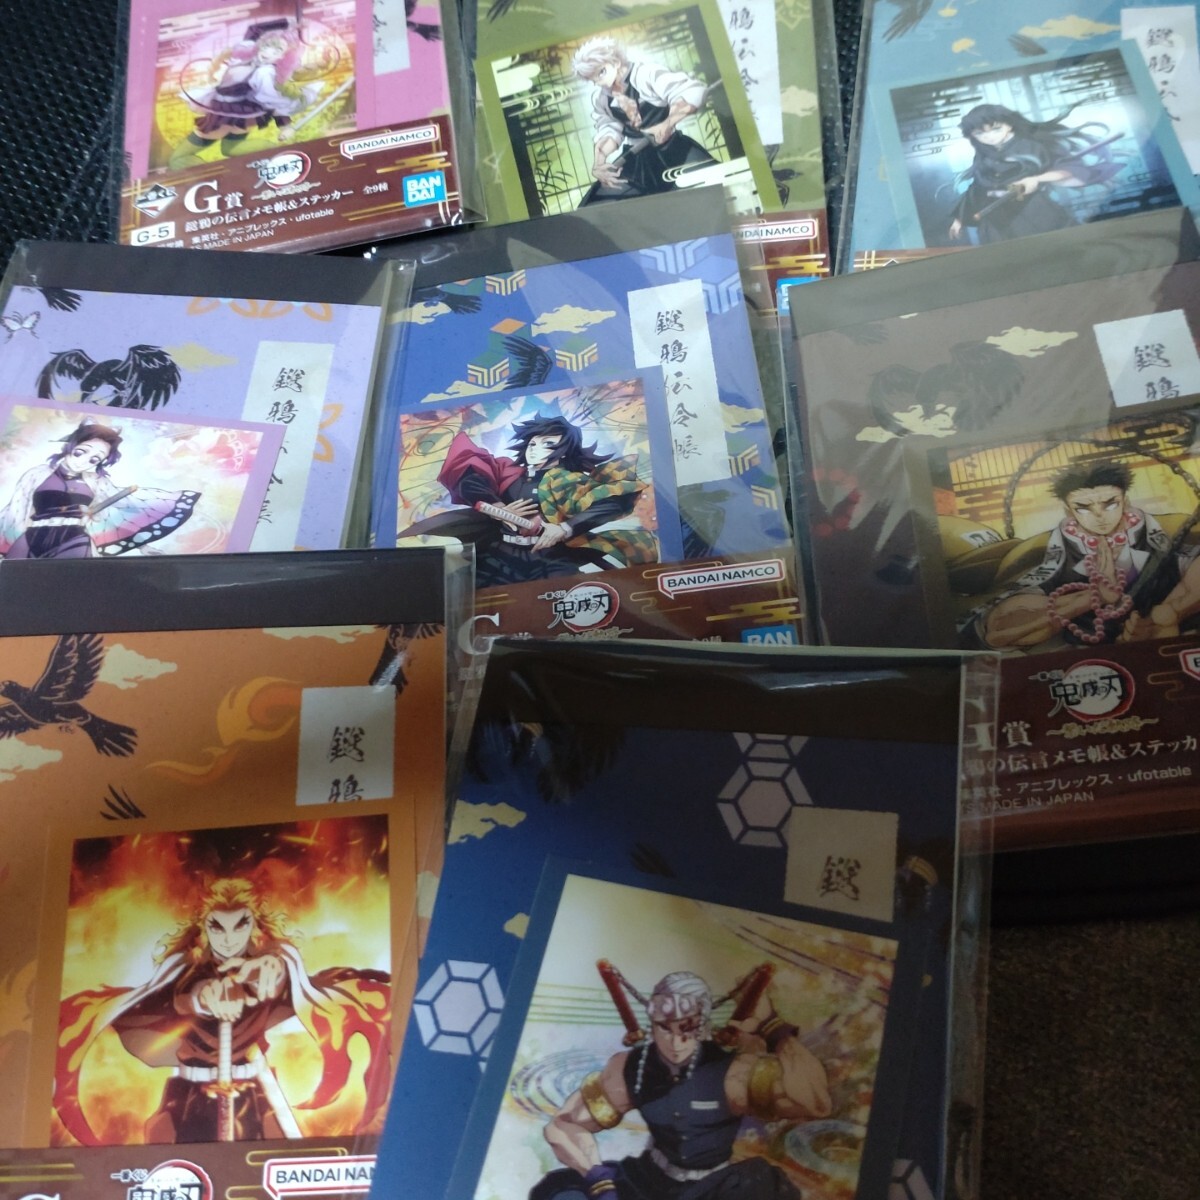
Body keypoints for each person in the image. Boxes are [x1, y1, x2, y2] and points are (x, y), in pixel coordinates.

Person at [53, 877, 391, 1145]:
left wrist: (272, 970)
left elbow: (285, 978)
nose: (228, 939)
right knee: (172, 1157)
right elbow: (181, 994)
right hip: (189, 1093)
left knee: (268, 1161)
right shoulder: (186, 969)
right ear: (204, 928)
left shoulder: (269, 964)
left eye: (239, 925)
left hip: (253, 1090)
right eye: (218, 927)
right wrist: (203, 997)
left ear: (254, 927)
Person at [531, 970, 831, 1200]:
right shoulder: (631, 1068)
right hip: (649, 1182)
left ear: (703, 1023)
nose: (676, 1042)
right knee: (560, 1190)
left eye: (687, 1028)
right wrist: (597, 1178)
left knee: (766, 1186)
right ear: (652, 1024)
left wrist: (773, 1027)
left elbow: (815, 1102)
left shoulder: (736, 1072)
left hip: (714, 1188)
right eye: (665, 1028)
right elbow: (563, 1125)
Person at [967, 459, 1200, 649]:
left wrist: (1171, 613)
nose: (1099, 516)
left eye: (1110, 504)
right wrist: (1092, 597)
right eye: (1083, 508)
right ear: (1068, 511)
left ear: (1126, 502)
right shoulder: (1052, 551)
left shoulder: (1164, 532)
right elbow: (997, 631)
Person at [410, 414, 658, 586]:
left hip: (550, 558)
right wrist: (497, 507)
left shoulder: (568, 481)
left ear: (563, 452)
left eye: (547, 444)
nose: (534, 448)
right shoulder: (508, 474)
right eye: (532, 442)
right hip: (498, 555)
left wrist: (565, 528)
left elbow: (615, 499)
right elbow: (469, 474)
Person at [0, 421, 199, 559]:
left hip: (73, 539)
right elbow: (16, 511)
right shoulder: (37, 474)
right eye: (81, 452)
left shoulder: (96, 482)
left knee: (64, 587)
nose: (83, 462)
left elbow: (119, 512)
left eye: (94, 459)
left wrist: (143, 546)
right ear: (71, 446)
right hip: (30, 537)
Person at [946, 103, 1120, 245]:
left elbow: (1066, 169)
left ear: (1009, 125)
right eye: (980, 133)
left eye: (996, 129)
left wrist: (1036, 179)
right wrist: (960, 219)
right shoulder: (984, 153)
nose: (989, 137)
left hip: (1034, 212)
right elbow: (978, 187)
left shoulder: (1031, 145)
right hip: (995, 222)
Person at [572, 37, 716, 204]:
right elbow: (609, 129)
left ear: (615, 62)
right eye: (593, 79)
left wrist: (667, 123)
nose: (599, 82)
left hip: (673, 150)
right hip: (635, 159)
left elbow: (691, 91)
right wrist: (599, 163)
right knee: (597, 202)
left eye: (601, 72)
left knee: (709, 188)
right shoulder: (603, 99)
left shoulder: (646, 74)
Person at [169, 19, 323, 167]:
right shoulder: (247, 54)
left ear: (282, 58)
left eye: (277, 51)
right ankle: (274, 150)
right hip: (234, 115)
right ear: (261, 45)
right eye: (267, 45)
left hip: (224, 117)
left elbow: (271, 100)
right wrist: (289, 23)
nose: (268, 52)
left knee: (178, 159)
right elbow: (254, 30)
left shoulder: (265, 73)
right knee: (230, 149)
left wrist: (285, 126)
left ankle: (220, 176)